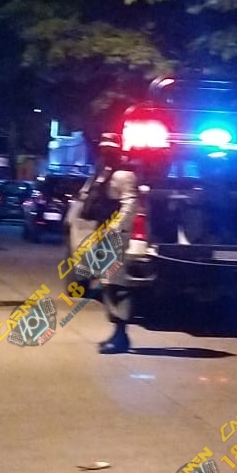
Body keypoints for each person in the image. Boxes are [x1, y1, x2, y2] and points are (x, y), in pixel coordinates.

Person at [91, 134, 139, 354]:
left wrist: (116, 229)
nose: (105, 153)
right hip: (103, 233)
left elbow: (130, 205)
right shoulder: (105, 172)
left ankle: (121, 335)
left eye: (109, 149)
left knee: (116, 284)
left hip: (115, 235)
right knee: (107, 283)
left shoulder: (123, 174)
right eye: (103, 149)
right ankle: (117, 333)